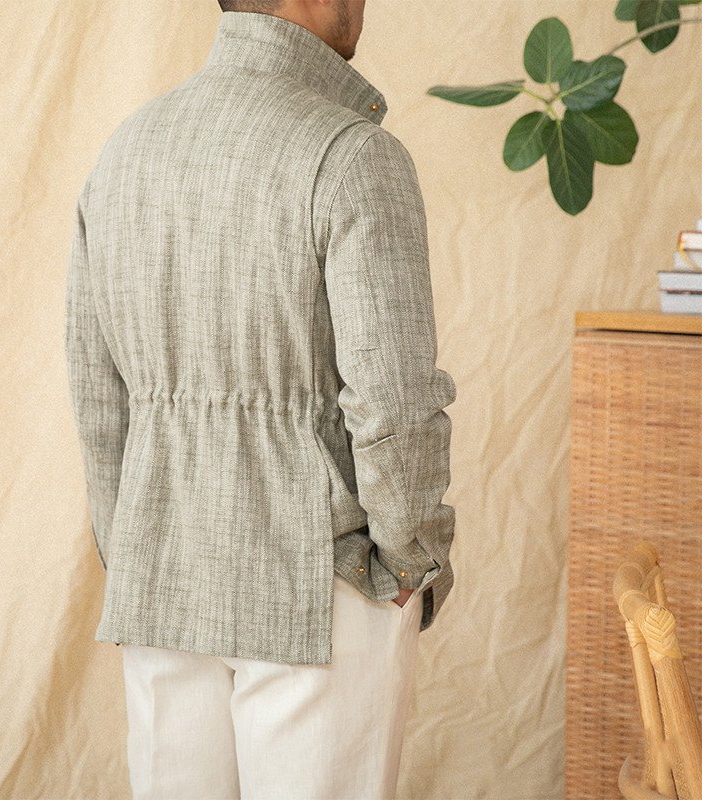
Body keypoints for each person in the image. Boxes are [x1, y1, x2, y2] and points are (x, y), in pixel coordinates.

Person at [63, 0, 457, 797]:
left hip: (163, 578)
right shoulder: (352, 155)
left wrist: (133, 548)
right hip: (323, 585)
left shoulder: (124, 152)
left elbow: (97, 394)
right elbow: (394, 401)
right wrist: (410, 557)